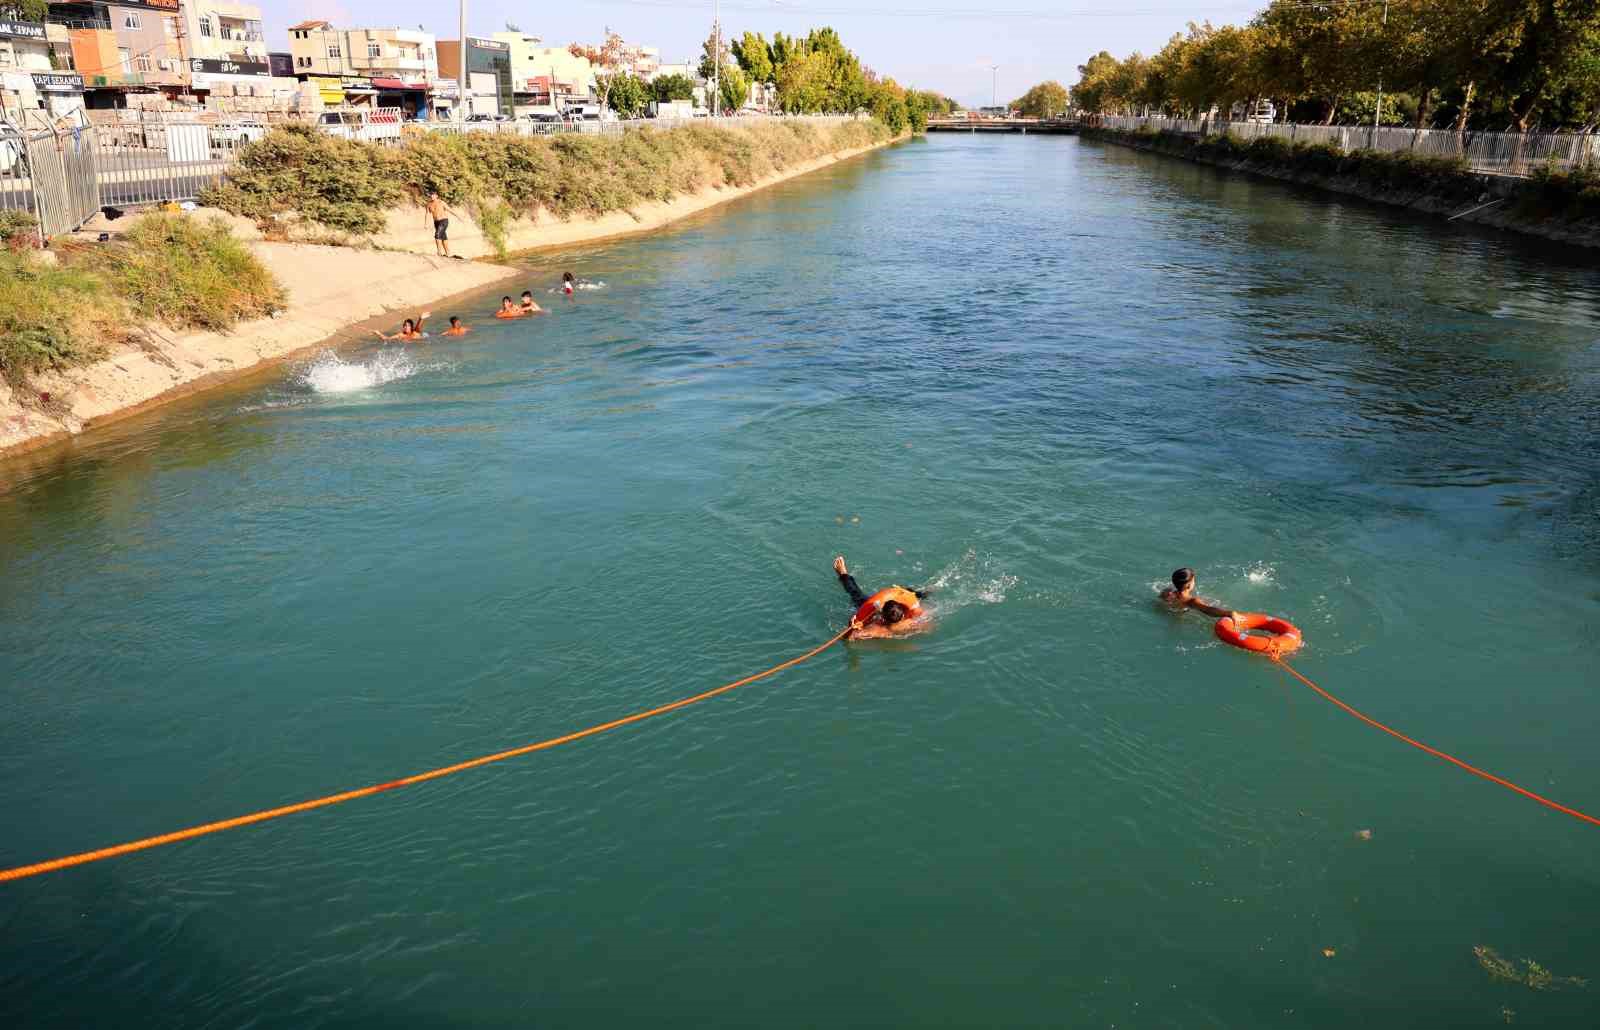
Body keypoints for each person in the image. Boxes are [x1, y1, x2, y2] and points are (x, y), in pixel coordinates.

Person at [834, 555, 930, 639]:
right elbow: (928, 627)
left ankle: (843, 573)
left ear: (882, 616)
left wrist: (850, 630)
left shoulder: (879, 631)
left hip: (895, 596)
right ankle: (843, 574)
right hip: (879, 601)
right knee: (856, 594)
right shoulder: (908, 624)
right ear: (903, 615)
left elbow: (848, 638)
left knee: (855, 593)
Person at [1159, 568, 1237, 619]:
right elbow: (1208, 610)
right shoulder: (1191, 601)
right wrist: (1228, 613)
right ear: (1189, 585)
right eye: (1193, 580)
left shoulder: (1167, 592)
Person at [424, 192, 452, 258]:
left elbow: (449, 209)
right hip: (436, 222)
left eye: (433, 195)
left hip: (444, 221)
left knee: (437, 235)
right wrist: (425, 223)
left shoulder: (441, 202)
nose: (431, 196)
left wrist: (458, 216)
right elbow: (427, 214)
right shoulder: (429, 204)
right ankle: (448, 252)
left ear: (436, 196)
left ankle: (439, 252)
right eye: (431, 195)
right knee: (443, 237)